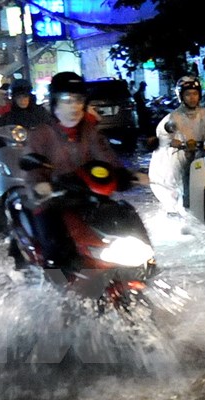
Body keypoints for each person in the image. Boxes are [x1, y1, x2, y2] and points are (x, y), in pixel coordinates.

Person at [17, 71, 142, 268]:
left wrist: (125, 175)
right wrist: (40, 186)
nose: (74, 106)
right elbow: (31, 171)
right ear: (55, 103)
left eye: (78, 100)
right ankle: (55, 288)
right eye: (67, 100)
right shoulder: (40, 134)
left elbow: (106, 157)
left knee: (125, 214)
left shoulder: (90, 131)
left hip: (87, 198)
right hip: (52, 202)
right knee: (54, 250)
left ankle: (145, 268)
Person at [149, 75, 205, 212]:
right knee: (186, 182)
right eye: (188, 94)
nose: (192, 97)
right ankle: (185, 207)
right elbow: (163, 135)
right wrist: (172, 142)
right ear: (181, 96)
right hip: (184, 156)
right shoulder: (173, 117)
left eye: (195, 93)